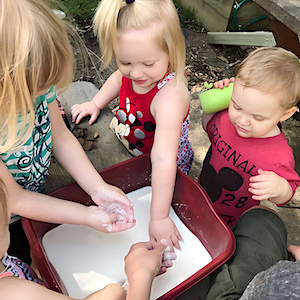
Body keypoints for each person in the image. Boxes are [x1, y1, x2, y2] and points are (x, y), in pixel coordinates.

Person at [0, 0, 136, 265]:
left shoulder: (38, 88)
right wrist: (86, 216)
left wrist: (98, 189)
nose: (44, 94)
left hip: (36, 200)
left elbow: (60, 137)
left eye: (46, 86)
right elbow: (14, 199)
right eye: (36, 89)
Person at [71, 0, 194, 250]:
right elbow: (118, 80)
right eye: (125, 62)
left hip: (161, 167)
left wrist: (159, 217)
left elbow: (162, 161)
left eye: (148, 64)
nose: (136, 73)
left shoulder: (169, 97)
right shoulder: (133, 71)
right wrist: (95, 103)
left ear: (172, 52)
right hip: (131, 144)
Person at [0, 178, 175, 300]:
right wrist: (140, 276)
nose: (9, 218)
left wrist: (35, 270)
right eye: (5, 224)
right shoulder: (13, 294)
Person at [199, 47, 300, 227]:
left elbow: (287, 193)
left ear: (286, 114)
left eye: (258, 117)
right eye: (237, 106)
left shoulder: (279, 156)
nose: (242, 121)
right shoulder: (224, 117)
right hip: (201, 196)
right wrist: (213, 102)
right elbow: (207, 126)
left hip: (232, 221)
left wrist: (278, 187)